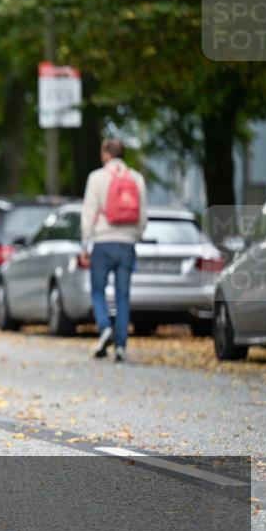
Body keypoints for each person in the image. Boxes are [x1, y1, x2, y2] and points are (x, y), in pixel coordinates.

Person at [80, 138, 148, 363]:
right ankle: (121, 346)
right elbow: (142, 216)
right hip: (127, 244)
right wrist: (134, 237)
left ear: (106, 154)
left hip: (103, 242)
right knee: (123, 296)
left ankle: (104, 327)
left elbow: (89, 212)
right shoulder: (136, 178)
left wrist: (85, 243)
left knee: (98, 291)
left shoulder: (97, 177)